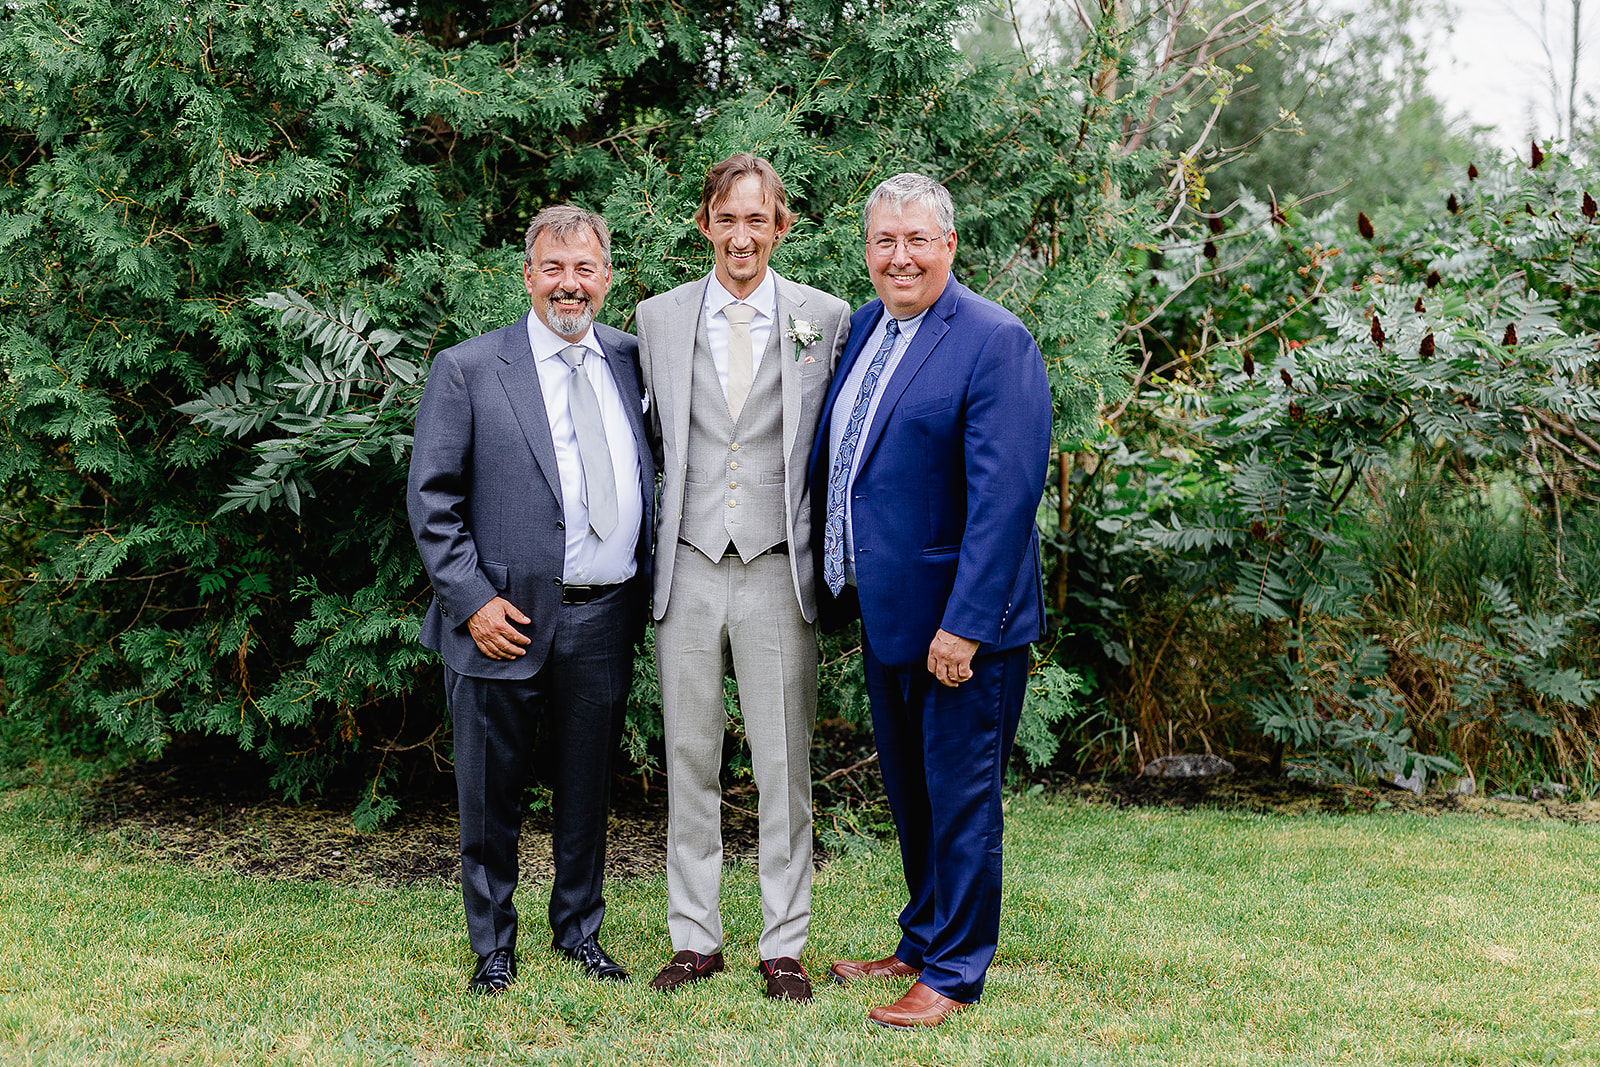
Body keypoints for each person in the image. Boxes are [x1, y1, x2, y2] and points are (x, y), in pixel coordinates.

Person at [809, 173, 1052, 1028]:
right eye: (885, 241)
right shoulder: (869, 326)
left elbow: (1006, 499)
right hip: (891, 615)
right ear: (867, 250)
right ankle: (920, 939)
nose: (900, 257)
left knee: (960, 802)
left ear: (949, 244)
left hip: (961, 627)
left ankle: (953, 969)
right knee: (913, 797)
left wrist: (966, 625)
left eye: (917, 239)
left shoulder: (995, 340)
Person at [406, 205, 654, 992]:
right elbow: (432, 500)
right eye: (553, 268)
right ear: (528, 275)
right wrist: (471, 600)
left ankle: (578, 929)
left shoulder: (634, 361)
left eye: (584, 268)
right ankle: (493, 945)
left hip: (604, 615)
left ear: (606, 277)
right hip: (499, 620)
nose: (568, 284)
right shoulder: (470, 368)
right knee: (489, 794)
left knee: (588, 792)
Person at [636, 153, 851, 1001]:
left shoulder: (824, 318)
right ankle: (695, 937)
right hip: (688, 565)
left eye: (756, 219)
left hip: (776, 567)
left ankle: (782, 943)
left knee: (782, 766)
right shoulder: (657, 318)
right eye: (726, 219)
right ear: (704, 225)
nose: (740, 236)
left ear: (780, 227)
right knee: (689, 756)